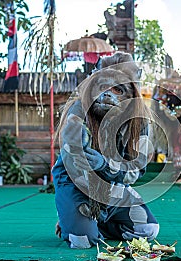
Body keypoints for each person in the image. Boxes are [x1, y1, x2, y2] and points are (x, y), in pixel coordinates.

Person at [51, 52, 159, 249]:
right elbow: (75, 166)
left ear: (131, 95)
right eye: (102, 87)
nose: (108, 94)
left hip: (112, 183)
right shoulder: (78, 113)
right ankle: (72, 217)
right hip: (76, 183)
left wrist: (106, 165)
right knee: (82, 241)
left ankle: (95, 223)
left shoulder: (140, 122)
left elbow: (135, 170)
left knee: (148, 230)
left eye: (117, 89)